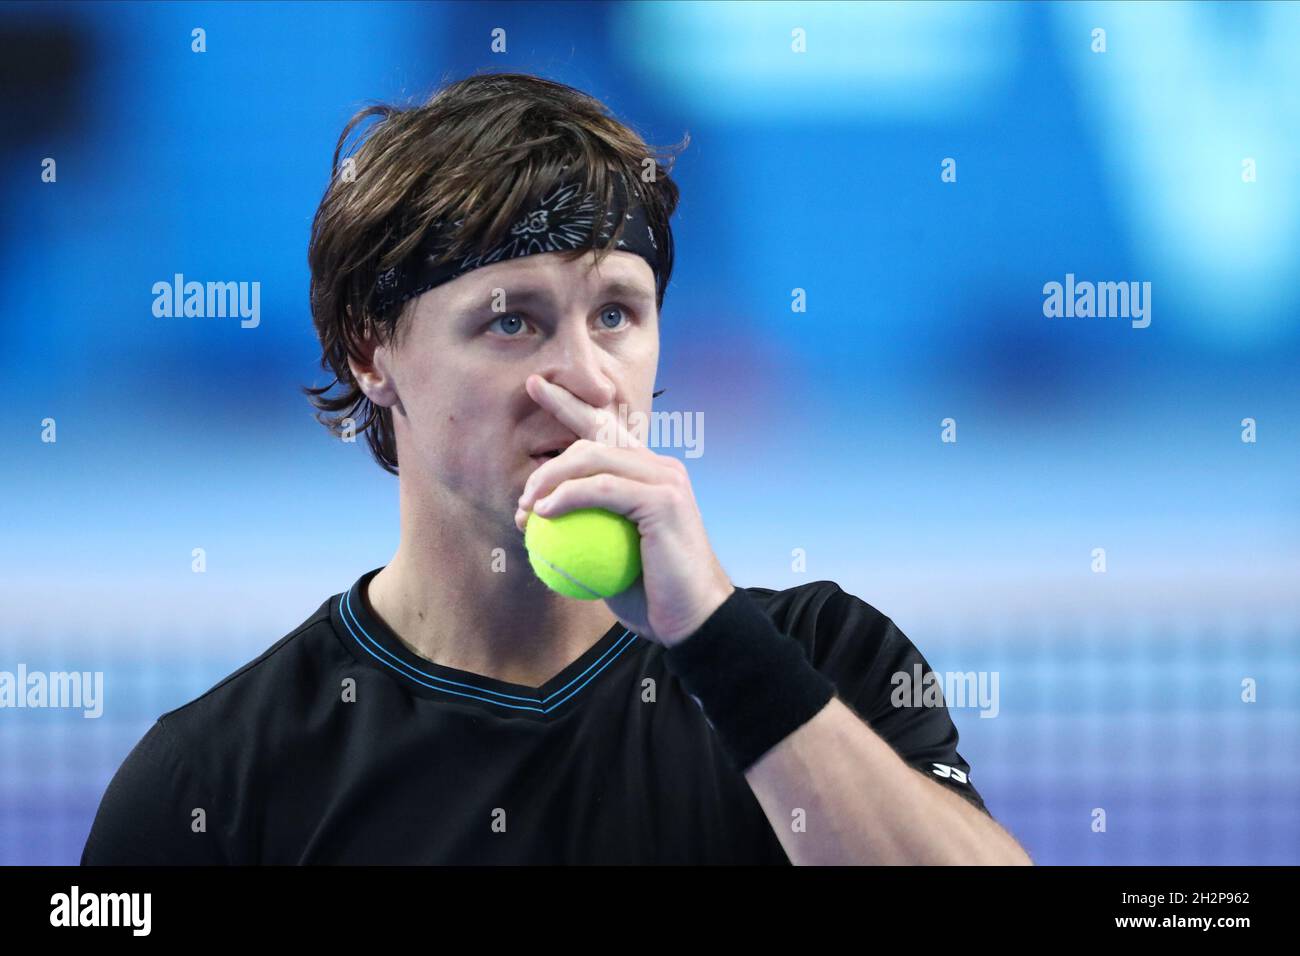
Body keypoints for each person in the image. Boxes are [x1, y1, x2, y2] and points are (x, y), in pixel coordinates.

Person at [82, 72, 1031, 865]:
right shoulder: (212, 785)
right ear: (373, 351)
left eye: (617, 313)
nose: (584, 375)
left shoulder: (829, 663)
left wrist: (720, 644)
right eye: (512, 319)